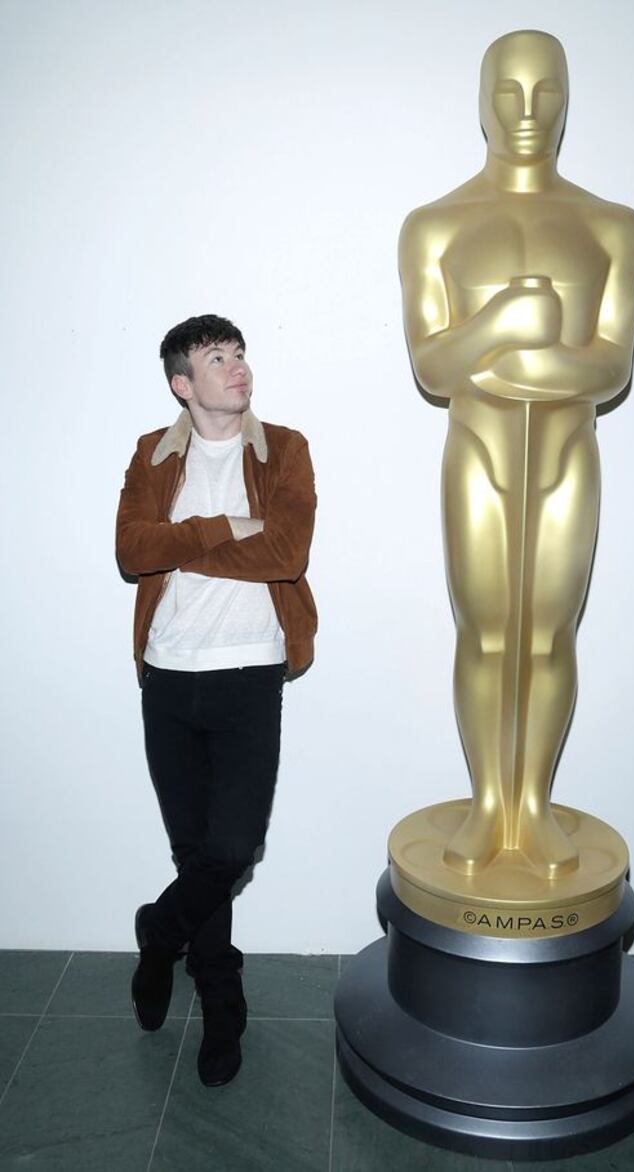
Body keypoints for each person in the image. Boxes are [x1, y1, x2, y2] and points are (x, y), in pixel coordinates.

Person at [399, 31, 634, 878]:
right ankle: (486, 807)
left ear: (569, 97)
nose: (529, 111)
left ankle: (530, 805)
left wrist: (511, 360)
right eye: (509, 91)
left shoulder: (611, 225)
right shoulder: (434, 227)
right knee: (484, 633)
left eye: (546, 91)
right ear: (481, 99)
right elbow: (432, 366)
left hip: (569, 453)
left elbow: (611, 365)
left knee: (547, 636)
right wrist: (505, 321)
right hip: (477, 451)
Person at [116, 314, 316, 1085]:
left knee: (229, 849)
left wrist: (188, 540)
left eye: (239, 354)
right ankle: (222, 1000)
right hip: (166, 676)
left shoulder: (284, 450)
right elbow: (134, 551)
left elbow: (287, 551)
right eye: (214, 358)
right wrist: (229, 524)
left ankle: (158, 935)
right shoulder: (152, 455)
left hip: (248, 675)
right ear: (182, 383)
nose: (236, 367)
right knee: (195, 854)